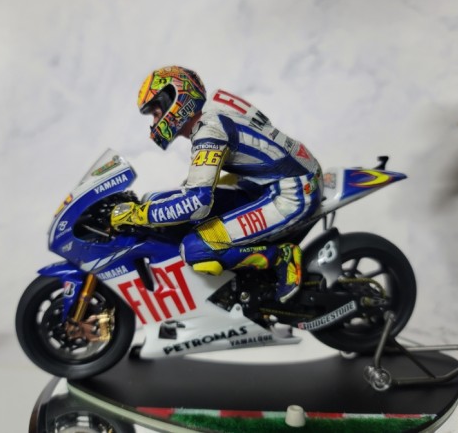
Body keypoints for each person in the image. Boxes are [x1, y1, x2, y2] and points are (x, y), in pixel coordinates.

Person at [111, 65, 322, 303]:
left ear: (175, 98)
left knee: (196, 248)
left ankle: (281, 256)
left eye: (156, 112)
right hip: (269, 181)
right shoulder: (216, 106)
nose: (155, 121)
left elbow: (197, 202)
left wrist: (138, 215)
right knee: (172, 205)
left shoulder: (209, 131)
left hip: (292, 193)